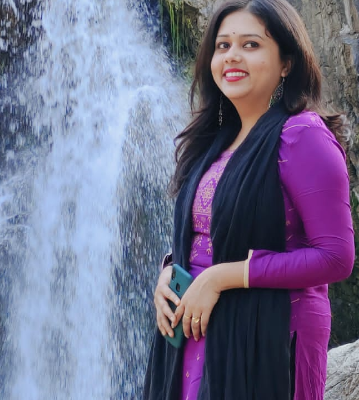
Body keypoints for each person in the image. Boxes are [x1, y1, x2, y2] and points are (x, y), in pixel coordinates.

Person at [143, 0, 355, 399]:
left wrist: (221, 277)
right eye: (222, 45)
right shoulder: (214, 141)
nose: (232, 56)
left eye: (251, 44)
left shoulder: (303, 136)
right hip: (195, 333)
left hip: (268, 339)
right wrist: (169, 272)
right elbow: (206, 232)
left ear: (287, 62)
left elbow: (336, 257)